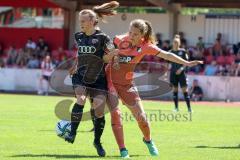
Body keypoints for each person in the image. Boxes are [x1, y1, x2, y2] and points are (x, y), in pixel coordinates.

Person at [104, 19, 202, 158]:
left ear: (142, 35)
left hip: (127, 85)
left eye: (135, 34)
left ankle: (148, 140)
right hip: (110, 82)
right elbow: (103, 57)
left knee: (142, 118)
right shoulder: (118, 40)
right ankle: (123, 150)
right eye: (130, 32)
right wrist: (109, 56)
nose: (131, 36)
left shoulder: (146, 46)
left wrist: (186, 62)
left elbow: (167, 55)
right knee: (116, 115)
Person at [64, 1, 119, 157]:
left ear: (92, 22)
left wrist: (113, 56)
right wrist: (75, 65)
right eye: (80, 21)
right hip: (80, 77)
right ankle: (72, 133)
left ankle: (97, 142)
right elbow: (81, 54)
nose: (80, 24)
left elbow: (108, 58)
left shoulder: (103, 37)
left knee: (99, 111)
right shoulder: (78, 36)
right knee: (80, 99)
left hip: (98, 78)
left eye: (83, 21)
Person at [169, 35, 193, 112]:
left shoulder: (182, 51)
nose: (175, 44)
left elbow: (186, 63)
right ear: (172, 43)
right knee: (175, 91)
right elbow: (168, 64)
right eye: (174, 42)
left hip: (181, 74)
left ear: (179, 43)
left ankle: (189, 108)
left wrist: (181, 69)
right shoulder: (170, 52)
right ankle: (176, 108)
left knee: (184, 91)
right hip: (173, 74)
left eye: (177, 42)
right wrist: (167, 73)